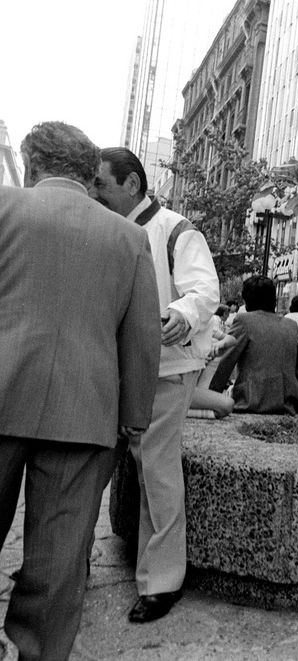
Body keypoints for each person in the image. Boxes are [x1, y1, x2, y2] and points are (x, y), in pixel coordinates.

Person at [0, 122, 161, 661]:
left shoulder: (4, 208)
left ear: (32, 164)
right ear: (88, 175)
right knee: (60, 560)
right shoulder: (129, 237)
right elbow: (142, 339)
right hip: (86, 412)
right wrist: (134, 416)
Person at [92, 146, 220, 624]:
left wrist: (181, 316)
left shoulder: (177, 230)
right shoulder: (110, 230)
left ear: (131, 184)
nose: (95, 193)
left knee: (157, 470)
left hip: (167, 367)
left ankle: (162, 581)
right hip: (116, 365)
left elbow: (204, 291)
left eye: (101, 184)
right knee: (105, 465)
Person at [210, 276, 298, 415]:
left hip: (252, 400)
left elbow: (226, 361)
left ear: (246, 301)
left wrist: (210, 396)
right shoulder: (291, 325)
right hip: (288, 402)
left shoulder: (244, 321)